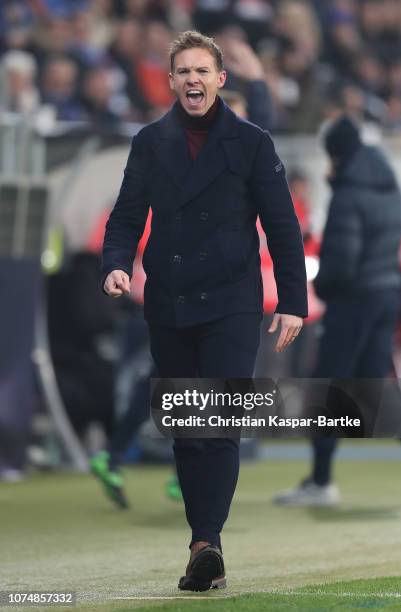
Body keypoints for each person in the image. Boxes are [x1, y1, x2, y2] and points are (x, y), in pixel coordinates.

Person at [102, 30, 307, 592]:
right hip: (168, 302)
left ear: (221, 79)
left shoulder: (252, 142)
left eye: (202, 71)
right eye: (183, 71)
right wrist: (115, 264)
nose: (193, 80)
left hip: (232, 304)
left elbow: (282, 227)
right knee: (188, 430)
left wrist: (293, 301)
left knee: (216, 425)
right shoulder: (148, 142)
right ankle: (204, 541)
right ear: (171, 81)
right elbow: (124, 217)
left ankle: (205, 542)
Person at [274, 115, 401, 507]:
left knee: (326, 389)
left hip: (353, 302)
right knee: (376, 388)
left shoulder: (349, 194)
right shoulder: (388, 188)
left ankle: (321, 481)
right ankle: (320, 479)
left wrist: (321, 285)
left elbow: (342, 263)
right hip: (386, 297)